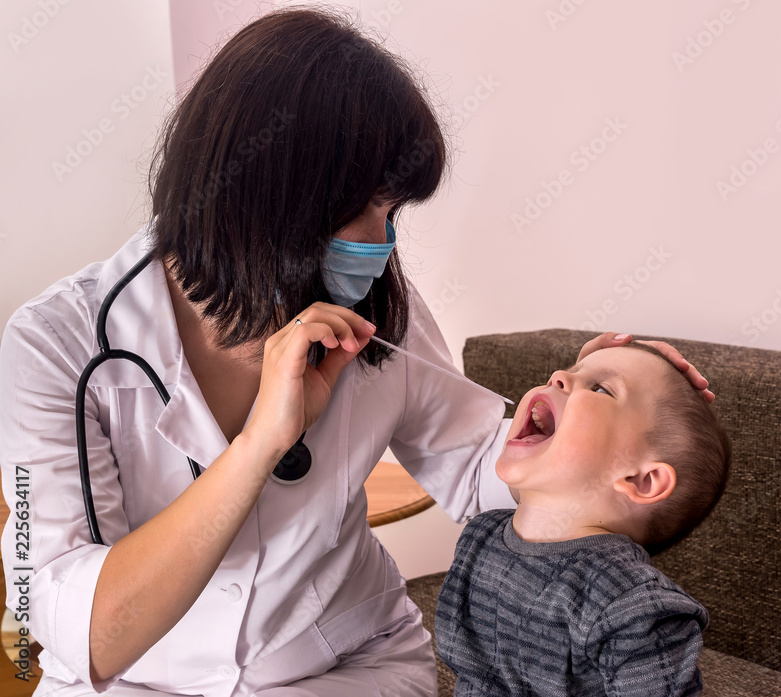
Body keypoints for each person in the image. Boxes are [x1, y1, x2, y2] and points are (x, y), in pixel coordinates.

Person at [0, 7, 712, 697]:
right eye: (365, 206)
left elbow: (475, 464)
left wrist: (616, 414)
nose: (383, 242)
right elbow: (74, 629)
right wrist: (259, 445)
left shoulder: (377, 309)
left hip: (346, 670)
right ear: (266, 189)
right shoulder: (54, 347)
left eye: (393, 211)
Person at [435, 342, 731, 696]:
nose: (557, 376)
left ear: (642, 480)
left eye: (601, 389)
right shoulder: (479, 538)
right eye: (570, 371)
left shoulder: (634, 606)